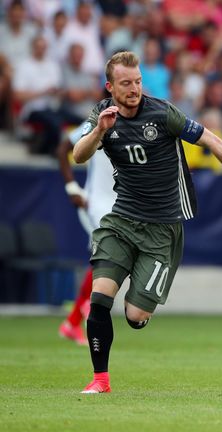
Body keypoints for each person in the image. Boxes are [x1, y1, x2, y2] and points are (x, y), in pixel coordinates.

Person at [73, 51, 222, 394]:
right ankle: (100, 379)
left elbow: (212, 140)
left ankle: (142, 303)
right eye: (126, 83)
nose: (133, 89)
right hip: (121, 220)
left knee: (134, 316)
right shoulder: (102, 114)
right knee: (100, 296)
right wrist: (100, 131)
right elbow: (78, 154)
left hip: (162, 228)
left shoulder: (162, 113)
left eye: (137, 81)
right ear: (110, 86)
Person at [56, 119, 117, 346]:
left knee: (108, 261)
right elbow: (63, 148)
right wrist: (72, 188)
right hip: (96, 205)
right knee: (108, 258)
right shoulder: (96, 122)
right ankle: (88, 307)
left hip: (120, 205)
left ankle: (73, 321)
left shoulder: (140, 123)